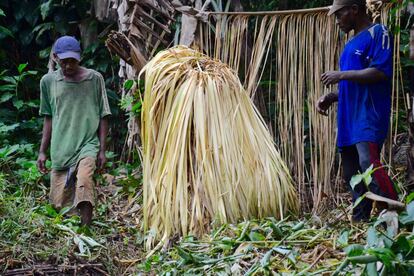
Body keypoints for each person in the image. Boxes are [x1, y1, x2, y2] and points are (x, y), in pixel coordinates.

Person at [317, 0, 398, 222]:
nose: (337, 21)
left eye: (339, 15)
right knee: (351, 174)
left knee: (368, 164)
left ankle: (394, 211)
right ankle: (360, 222)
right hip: (347, 119)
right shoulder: (350, 44)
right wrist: (332, 97)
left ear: (354, 9)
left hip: (368, 116)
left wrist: (340, 75)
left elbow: (380, 72)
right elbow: (353, 85)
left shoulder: (378, 32)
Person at [37, 36, 111, 226]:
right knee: (58, 204)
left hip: (88, 143)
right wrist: (42, 151)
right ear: (55, 57)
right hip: (61, 147)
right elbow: (48, 117)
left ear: (80, 57)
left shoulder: (94, 79)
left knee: (85, 180)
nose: (69, 65)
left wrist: (102, 150)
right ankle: (69, 231)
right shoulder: (48, 82)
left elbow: (104, 115)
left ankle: (87, 227)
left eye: (73, 60)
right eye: (64, 61)